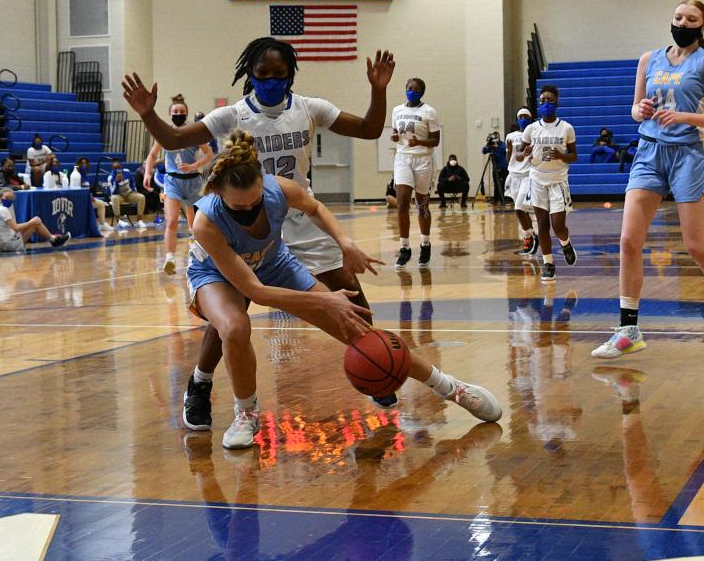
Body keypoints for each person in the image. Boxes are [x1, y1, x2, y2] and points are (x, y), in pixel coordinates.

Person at [122, 38, 403, 408]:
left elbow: (369, 129)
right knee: (231, 313)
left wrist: (377, 90)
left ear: (290, 76)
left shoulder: (309, 108)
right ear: (250, 75)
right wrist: (147, 114)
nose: (270, 79)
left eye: (278, 73)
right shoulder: (232, 115)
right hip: (245, 222)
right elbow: (174, 138)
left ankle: (378, 366)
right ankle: (201, 381)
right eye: (262, 73)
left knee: (354, 304)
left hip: (300, 219)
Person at [183, 130, 501, 448]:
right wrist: (325, 301)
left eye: (256, 202)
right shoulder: (206, 222)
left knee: (355, 325)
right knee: (235, 326)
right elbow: (256, 291)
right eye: (240, 208)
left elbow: (315, 208)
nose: (251, 210)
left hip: (272, 261)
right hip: (214, 274)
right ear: (217, 193)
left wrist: (344, 242)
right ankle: (245, 413)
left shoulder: (278, 189)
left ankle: (451, 387)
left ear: (263, 183)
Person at [591, 0, 704, 362]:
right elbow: (636, 109)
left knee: (697, 245)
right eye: (678, 17)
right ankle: (628, 330)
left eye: (691, 19)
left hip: (689, 155)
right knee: (628, 241)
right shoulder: (648, 59)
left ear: (703, 25)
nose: (682, 22)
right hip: (649, 152)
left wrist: (684, 115)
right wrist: (641, 110)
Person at [144, 94, 213, 274]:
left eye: (182, 112)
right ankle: (170, 258)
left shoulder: (192, 133)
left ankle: (198, 251)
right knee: (172, 220)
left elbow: (209, 154)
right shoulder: (164, 134)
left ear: (186, 114)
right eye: (175, 111)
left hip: (193, 182)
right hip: (173, 181)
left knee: (196, 224)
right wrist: (147, 172)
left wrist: (194, 166)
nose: (179, 114)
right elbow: (152, 156)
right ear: (170, 114)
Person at [517, 85, 578, 283]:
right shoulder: (531, 128)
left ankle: (565, 243)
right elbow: (518, 155)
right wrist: (523, 153)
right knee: (542, 224)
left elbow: (574, 156)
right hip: (537, 179)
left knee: (558, 225)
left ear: (556, 103)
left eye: (549, 100)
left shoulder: (566, 128)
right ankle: (548, 263)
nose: (545, 104)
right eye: (542, 100)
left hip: (558, 179)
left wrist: (561, 155)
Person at [390, 77, 441, 268]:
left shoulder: (429, 112)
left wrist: (419, 142)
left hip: (423, 159)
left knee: (422, 204)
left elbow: (435, 140)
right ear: (405, 89)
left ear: (422, 92)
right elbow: (396, 133)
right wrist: (395, 136)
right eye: (409, 88)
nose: (412, 91)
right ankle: (404, 247)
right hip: (403, 158)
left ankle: (425, 243)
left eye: (416, 89)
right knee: (402, 202)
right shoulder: (397, 110)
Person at [505, 107, 539, 255]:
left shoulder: (534, 134)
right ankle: (530, 237)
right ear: (517, 119)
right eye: (521, 116)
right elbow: (508, 159)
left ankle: (530, 236)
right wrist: (508, 149)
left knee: (519, 208)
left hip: (528, 175)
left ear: (530, 118)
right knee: (519, 209)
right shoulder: (510, 136)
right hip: (513, 175)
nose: (523, 118)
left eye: (526, 116)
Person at [0, 188, 70, 252]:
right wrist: (31, 222)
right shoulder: (3, 210)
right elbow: (16, 228)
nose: (9, 200)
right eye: (7, 197)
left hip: (5, 243)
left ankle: (53, 239)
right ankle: (53, 239)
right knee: (35, 224)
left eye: (11, 198)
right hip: (10, 245)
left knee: (34, 224)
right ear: (0, 197)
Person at [108, 160, 147, 228]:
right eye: (115, 168)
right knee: (114, 198)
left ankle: (139, 220)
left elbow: (132, 182)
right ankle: (119, 220)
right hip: (119, 195)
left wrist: (134, 190)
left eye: (118, 167)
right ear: (112, 169)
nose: (117, 169)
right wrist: (116, 182)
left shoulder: (127, 172)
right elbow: (112, 192)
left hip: (129, 194)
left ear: (121, 167)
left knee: (142, 197)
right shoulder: (110, 177)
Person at [482, 132, 508, 205]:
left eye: (497, 136)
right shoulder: (491, 146)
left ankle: (504, 199)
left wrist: (497, 147)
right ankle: (496, 200)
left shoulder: (502, 144)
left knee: (503, 184)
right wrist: (488, 144)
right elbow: (484, 151)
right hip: (496, 168)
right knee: (496, 184)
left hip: (504, 167)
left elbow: (505, 149)